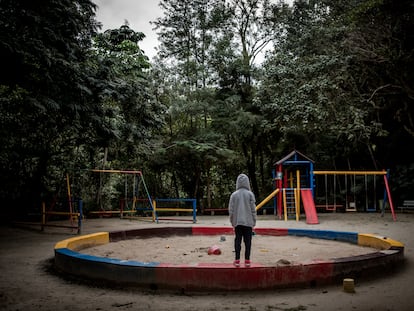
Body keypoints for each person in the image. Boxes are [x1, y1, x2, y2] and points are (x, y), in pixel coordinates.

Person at [228, 173, 256, 267]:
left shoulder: (234, 195)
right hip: (248, 223)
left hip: (237, 222)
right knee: (248, 242)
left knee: (237, 241)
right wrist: (254, 221)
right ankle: (247, 260)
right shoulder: (250, 194)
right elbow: (253, 210)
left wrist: (232, 221)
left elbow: (231, 210)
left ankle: (237, 260)